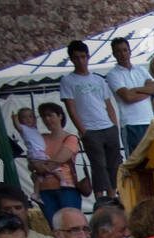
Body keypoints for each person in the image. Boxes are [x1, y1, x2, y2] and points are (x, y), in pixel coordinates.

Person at [59, 40, 119, 199]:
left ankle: (113, 196)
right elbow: (70, 108)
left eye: (83, 57)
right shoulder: (68, 81)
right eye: (77, 58)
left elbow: (108, 104)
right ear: (71, 59)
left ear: (88, 57)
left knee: (113, 164)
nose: (80, 61)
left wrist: (114, 125)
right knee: (98, 165)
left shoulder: (98, 79)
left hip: (107, 125)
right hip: (90, 128)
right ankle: (100, 197)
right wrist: (83, 131)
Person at [32, 103, 83, 226]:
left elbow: (58, 160)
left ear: (60, 116)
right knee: (55, 227)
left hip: (66, 188)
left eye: (50, 115)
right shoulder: (41, 137)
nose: (47, 119)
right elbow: (31, 161)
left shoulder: (70, 138)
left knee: (72, 225)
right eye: (44, 116)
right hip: (44, 190)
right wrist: (36, 165)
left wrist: (39, 166)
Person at [105, 37, 154, 156]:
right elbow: (127, 97)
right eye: (118, 51)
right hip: (131, 123)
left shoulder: (141, 70)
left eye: (125, 50)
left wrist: (136, 90)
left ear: (130, 51)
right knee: (135, 161)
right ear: (114, 54)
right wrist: (147, 91)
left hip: (149, 121)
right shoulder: (113, 74)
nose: (122, 54)